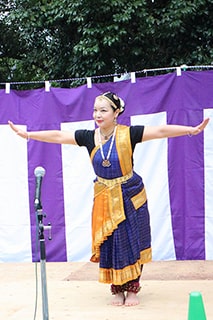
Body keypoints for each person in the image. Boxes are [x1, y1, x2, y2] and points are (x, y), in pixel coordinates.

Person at [8, 92, 209, 307]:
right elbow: (59, 136)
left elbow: (160, 131)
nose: (98, 114)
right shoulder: (89, 137)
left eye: (103, 110)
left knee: (133, 241)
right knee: (110, 243)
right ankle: (116, 290)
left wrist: (191, 130)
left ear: (116, 113)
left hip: (130, 194)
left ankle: (132, 289)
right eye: (95, 110)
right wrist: (28, 135)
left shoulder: (128, 134)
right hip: (104, 196)